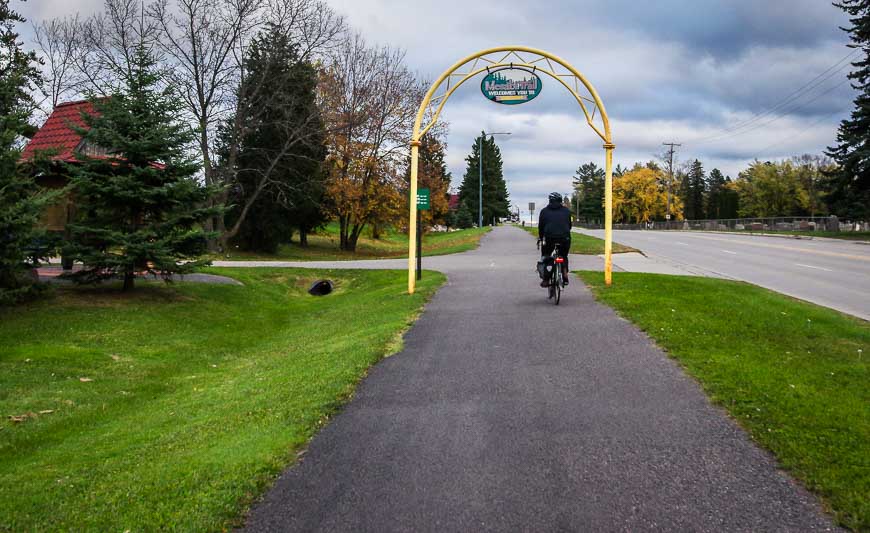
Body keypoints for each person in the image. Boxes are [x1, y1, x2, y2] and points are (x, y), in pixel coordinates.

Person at [538, 192, 572, 287]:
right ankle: (564, 273)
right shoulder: (566, 211)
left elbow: (541, 227)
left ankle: (546, 279)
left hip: (549, 239)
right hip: (564, 238)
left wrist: (541, 238)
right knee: (563, 255)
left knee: (546, 256)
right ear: (560, 201)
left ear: (550, 201)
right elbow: (569, 226)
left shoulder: (544, 211)